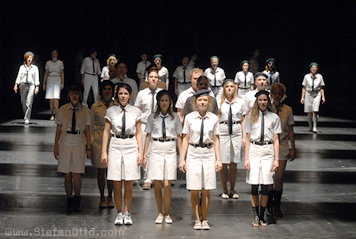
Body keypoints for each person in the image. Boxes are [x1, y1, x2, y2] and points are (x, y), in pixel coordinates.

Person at [179, 89, 223, 230]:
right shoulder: (189, 118)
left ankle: (205, 219)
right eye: (200, 100)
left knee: (206, 188)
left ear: (208, 102)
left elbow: (216, 139)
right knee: (194, 187)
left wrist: (218, 159)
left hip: (208, 152)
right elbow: (185, 139)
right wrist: (182, 158)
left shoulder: (214, 118)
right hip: (193, 152)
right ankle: (197, 219)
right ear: (195, 103)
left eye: (205, 100)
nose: (202, 102)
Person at [101, 83, 143, 225]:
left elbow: (138, 133)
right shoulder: (111, 111)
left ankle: (127, 212)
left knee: (129, 181)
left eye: (125, 93)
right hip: (116, 144)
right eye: (120, 93)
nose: (123, 96)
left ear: (130, 95)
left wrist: (141, 152)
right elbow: (106, 132)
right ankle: (119, 213)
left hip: (131, 145)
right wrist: (103, 152)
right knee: (117, 181)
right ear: (117, 95)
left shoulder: (136, 111)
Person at [143, 90, 182, 224]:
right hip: (156, 148)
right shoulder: (152, 117)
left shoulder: (175, 117)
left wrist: (182, 156)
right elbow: (148, 136)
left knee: (167, 183)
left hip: (170, 149)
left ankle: (168, 212)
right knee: (158, 182)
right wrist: (144, 155)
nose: (164, 103)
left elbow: (179, 137)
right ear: (158, 103)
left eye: (166, 100)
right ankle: (160, 212)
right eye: (162, 100)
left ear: (170, 102)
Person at [244, 90, 281, 227]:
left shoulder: (274, 117)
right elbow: (247, 139)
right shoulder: (251, 117)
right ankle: (255, 215)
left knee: (265, 185)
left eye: (265, 100)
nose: (263, 102)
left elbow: (276, 139)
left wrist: (276, 159)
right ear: (256, 102)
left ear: (268, 101)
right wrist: (246, 158)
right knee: (254, 185)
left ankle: (262, 216)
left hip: (268, 151)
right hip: (254, 150)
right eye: (260, 100)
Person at [54, 84, 91, 212]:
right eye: (72, 93)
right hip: (65, 141)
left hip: (79, 141)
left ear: (80, 95)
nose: (74, 96)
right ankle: (69, 199)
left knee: (77, 174)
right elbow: (58, 129)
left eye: (77, 93)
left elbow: (87, 129)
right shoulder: (62, 109)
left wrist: (89, 148)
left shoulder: (85, 110)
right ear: (69, 95)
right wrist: (55, 146)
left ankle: (77, 198)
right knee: (67, 174)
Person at [268, 83, 296, 218]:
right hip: (268, 146)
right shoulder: (267, 108)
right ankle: (268, 204)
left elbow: (291, 131)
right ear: (271, 94)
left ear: (283, 95)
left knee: (279, 177)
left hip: (283, 145)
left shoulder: (288, 110)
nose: (277, 96)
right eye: (275, 93)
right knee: (269, 177)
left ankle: (276, 206)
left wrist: (293, 148)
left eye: (280, 93)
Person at [135, 69, 163, 190]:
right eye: (151, 77)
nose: (153, 79)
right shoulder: (141, 94)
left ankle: (150, 178)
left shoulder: (162, 93)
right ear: (147, 79)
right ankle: (146, 177)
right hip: (144, 124)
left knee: (154, 151)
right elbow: (137, 110)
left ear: (158, 79)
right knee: (144, 151)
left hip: (157, 124)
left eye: (155, 77)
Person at [90, 81, 116, 209]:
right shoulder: (95, 107)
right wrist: (89, 144)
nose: (107, 91)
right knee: (100, 170)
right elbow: (89, 126)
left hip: (113, 140)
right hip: (99, 139)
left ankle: (110, 196)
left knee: (111, 171)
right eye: (105, 89)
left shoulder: (116, 106)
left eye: (109, 89)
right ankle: (101, 196)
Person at [218, 79, 245, 199]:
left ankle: (233, 189)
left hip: (236, 130)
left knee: (234, 162)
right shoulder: (219, 102)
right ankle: (224, 189)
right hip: (223, 130)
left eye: (231, 86)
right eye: (227, 86)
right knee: (223, 162)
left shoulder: (240, 102)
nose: (229, 88)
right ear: (224, 88)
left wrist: (244, 135)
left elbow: (243, 119)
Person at [13, 51, 40, 124]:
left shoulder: (35, 68)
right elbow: (19, 77)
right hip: (23, 85)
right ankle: (25, 114)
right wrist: (16, 85)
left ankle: (27, 118)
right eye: (28, 57)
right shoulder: (22, 67)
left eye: (31, 57)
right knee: (23, 102)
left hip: (31, 85)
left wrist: (37, 87)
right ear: (26, 59)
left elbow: (36, 78)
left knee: (29, 102)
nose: (29, 59)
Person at [300, 62, 326, 133]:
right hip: (308, 94)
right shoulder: (306, 76)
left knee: (315, 110)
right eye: (313, 68)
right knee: (309, 111)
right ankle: (310, 127)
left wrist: (323, 97)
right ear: (310, 69)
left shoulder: (320, 76)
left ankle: (315, 127)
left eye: (315, 68)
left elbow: (321, 87)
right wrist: (302, 97)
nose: (314, 69)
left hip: (317, 94)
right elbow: (304, 87)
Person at [43, 49, 64, 120]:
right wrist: (44, 83)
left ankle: (57, 114)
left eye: (55, 53)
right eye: (53, 53)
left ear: (57, 54)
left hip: (57, 79)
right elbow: (46, 73)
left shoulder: (60, 63)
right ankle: (52, 114)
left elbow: (62, 73)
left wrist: (62, 83)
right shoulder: (48, 63)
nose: (54, 55)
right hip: (50, 79)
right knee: (51, 98)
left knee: (56, 97)